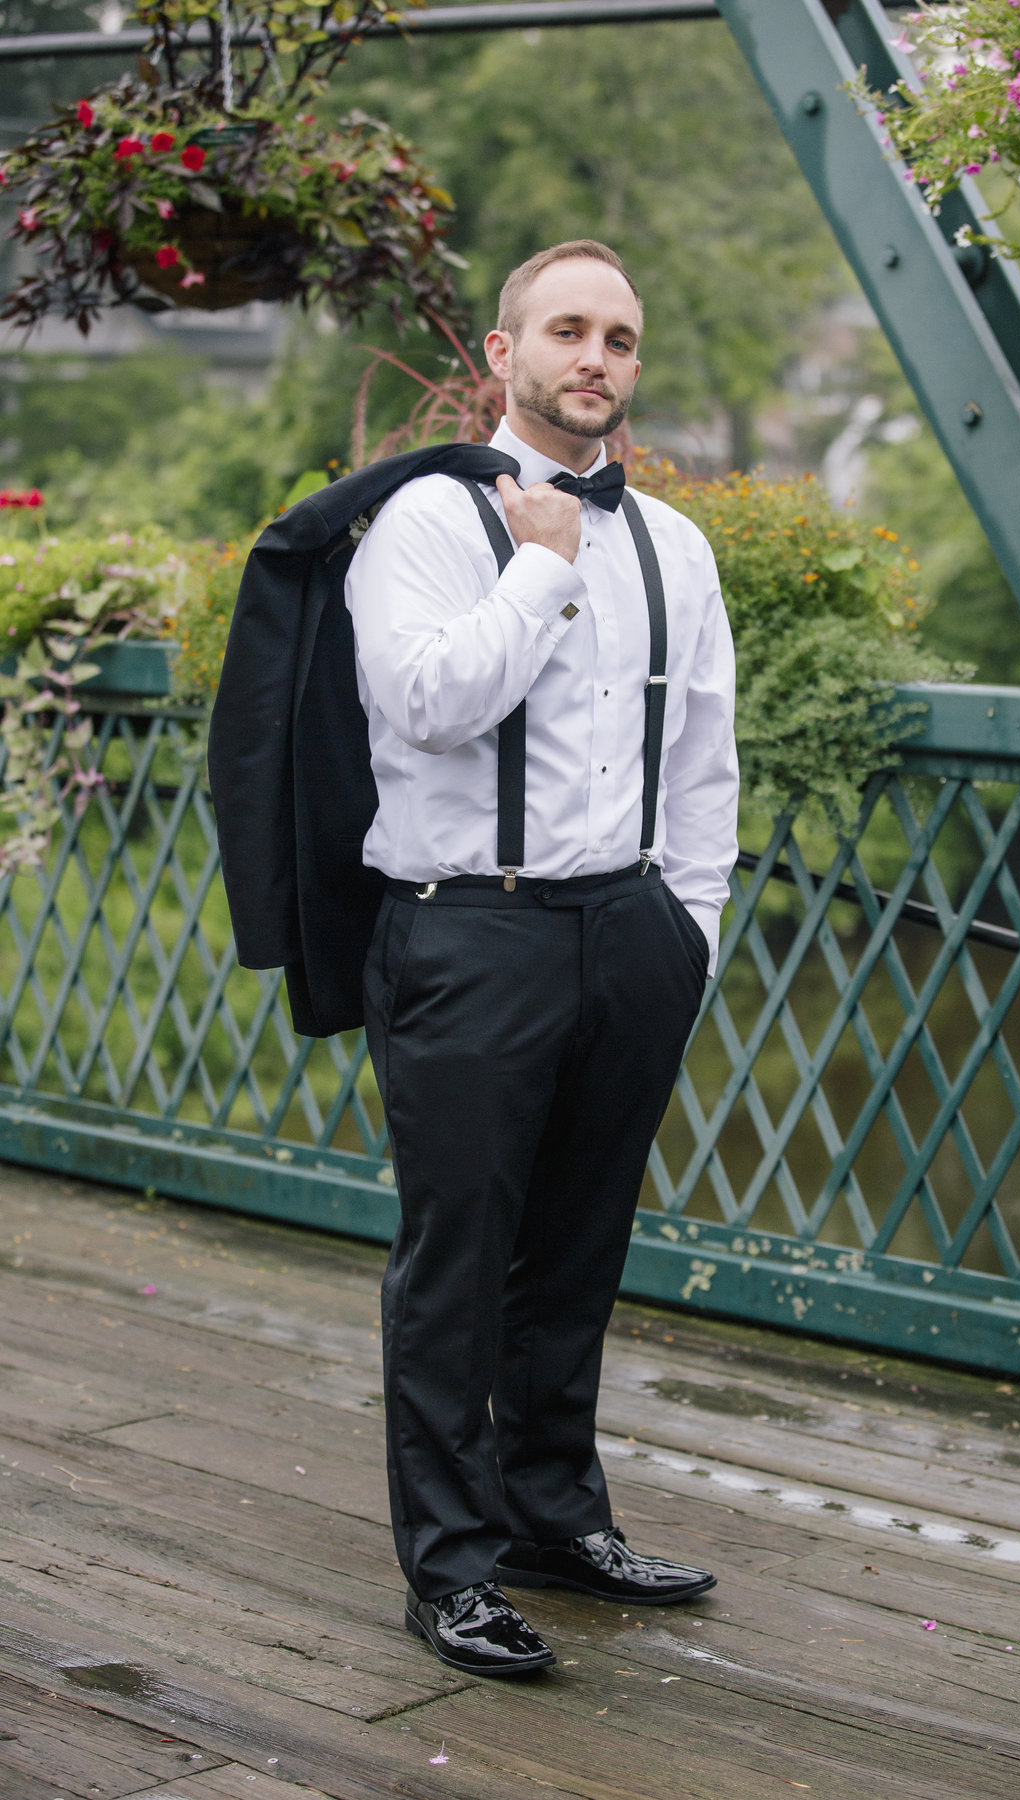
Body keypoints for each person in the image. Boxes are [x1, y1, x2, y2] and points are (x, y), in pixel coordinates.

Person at [345, 239, 739, 1679]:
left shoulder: (680, 547)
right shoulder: (427, 524)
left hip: (625, 930)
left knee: (577, 1248)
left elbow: (702, 758)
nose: (596, 359)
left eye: (620, 339)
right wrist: (539, 568)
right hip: (468, 928)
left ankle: (549, 1519)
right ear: (503, 355)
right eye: (567, 331)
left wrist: (688, 932)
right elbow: (429, 702)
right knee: (459, 1264)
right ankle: (448, 1571)